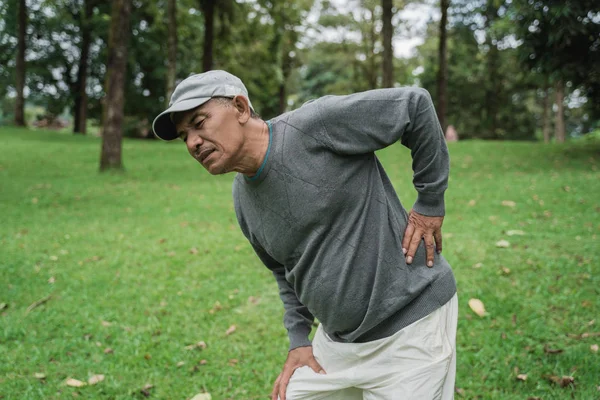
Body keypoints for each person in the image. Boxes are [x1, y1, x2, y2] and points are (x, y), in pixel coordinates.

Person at [152, 70, 458, 400]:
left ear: (240, 108)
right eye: (184, 136)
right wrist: (299, 339)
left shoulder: (313, 125)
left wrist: (429, 202)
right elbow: (285, 271)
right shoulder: (242, 199)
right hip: (338, 345)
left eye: (200, 122)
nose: (193, 142)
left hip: (410, 329)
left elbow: (414, 105)